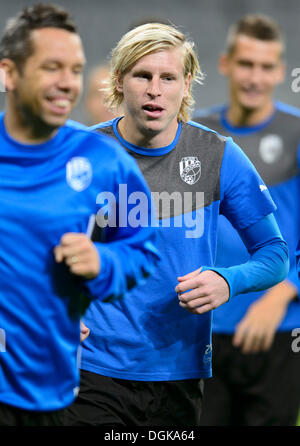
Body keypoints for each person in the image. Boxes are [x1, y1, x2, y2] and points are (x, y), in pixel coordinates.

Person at [64, 22, 289, 427]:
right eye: (142, 75)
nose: (155, 89)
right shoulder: (83, 154)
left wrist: (227, 281)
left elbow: (276, 255)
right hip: (92, 368)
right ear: (119, 81)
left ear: (186, 84)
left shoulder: (219, 155)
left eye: (167, 77)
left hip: (180, 371)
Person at [0, 4, 159, 427]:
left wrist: (102, 263)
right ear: (8, 74)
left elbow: (142, 250)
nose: (66, 83)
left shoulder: (103, 161)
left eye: (75, 69)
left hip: (52, 394)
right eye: (51, 68)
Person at [193, 14, 300, 426]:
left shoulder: (295, 132)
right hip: (202, 327)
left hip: (276, 333)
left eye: (266, 66)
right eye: (246, 64)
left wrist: (283, 291)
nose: (255, 77)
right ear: (225, 64)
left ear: (279, 71)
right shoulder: (196, 133)